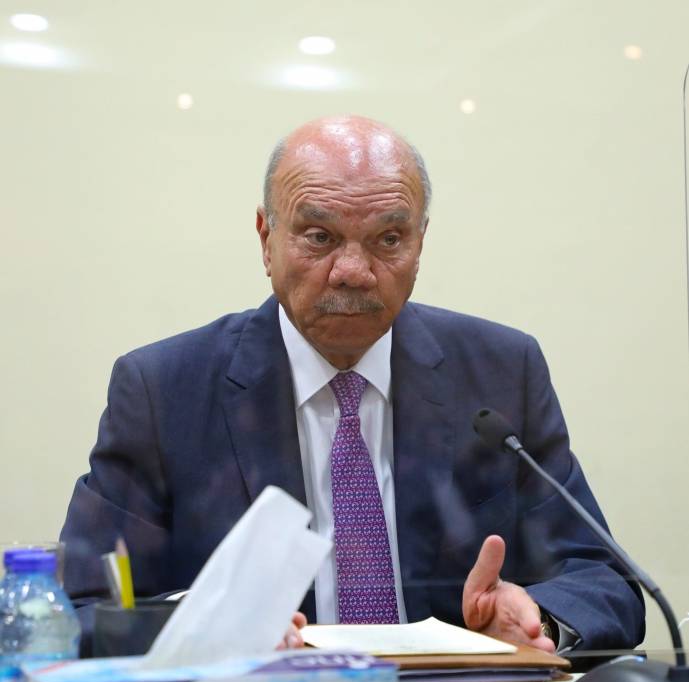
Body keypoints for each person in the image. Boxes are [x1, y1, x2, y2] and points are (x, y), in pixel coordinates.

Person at [61, 115, 644, 654]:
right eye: (319, 236)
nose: (353, 272)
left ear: (420, 242)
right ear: (266, 238)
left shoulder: (500, 372)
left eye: (389, 240)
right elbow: (77, 611)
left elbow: (602, 580)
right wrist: (210, 626)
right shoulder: (164, 391)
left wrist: (539, 621)